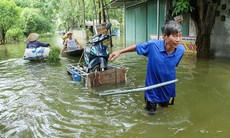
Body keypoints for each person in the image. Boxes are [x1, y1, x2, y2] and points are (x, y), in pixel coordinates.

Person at [109, 20, 185, 115]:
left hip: (168, 88)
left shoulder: (181, 50)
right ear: (164, 36)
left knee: (164, 111)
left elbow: (173, 66)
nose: (178, 39)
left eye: (180, 36)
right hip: (152, 88)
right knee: (150, 114)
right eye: (174, 36)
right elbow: (137, 47)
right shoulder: (153, 46)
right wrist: (119, 52)